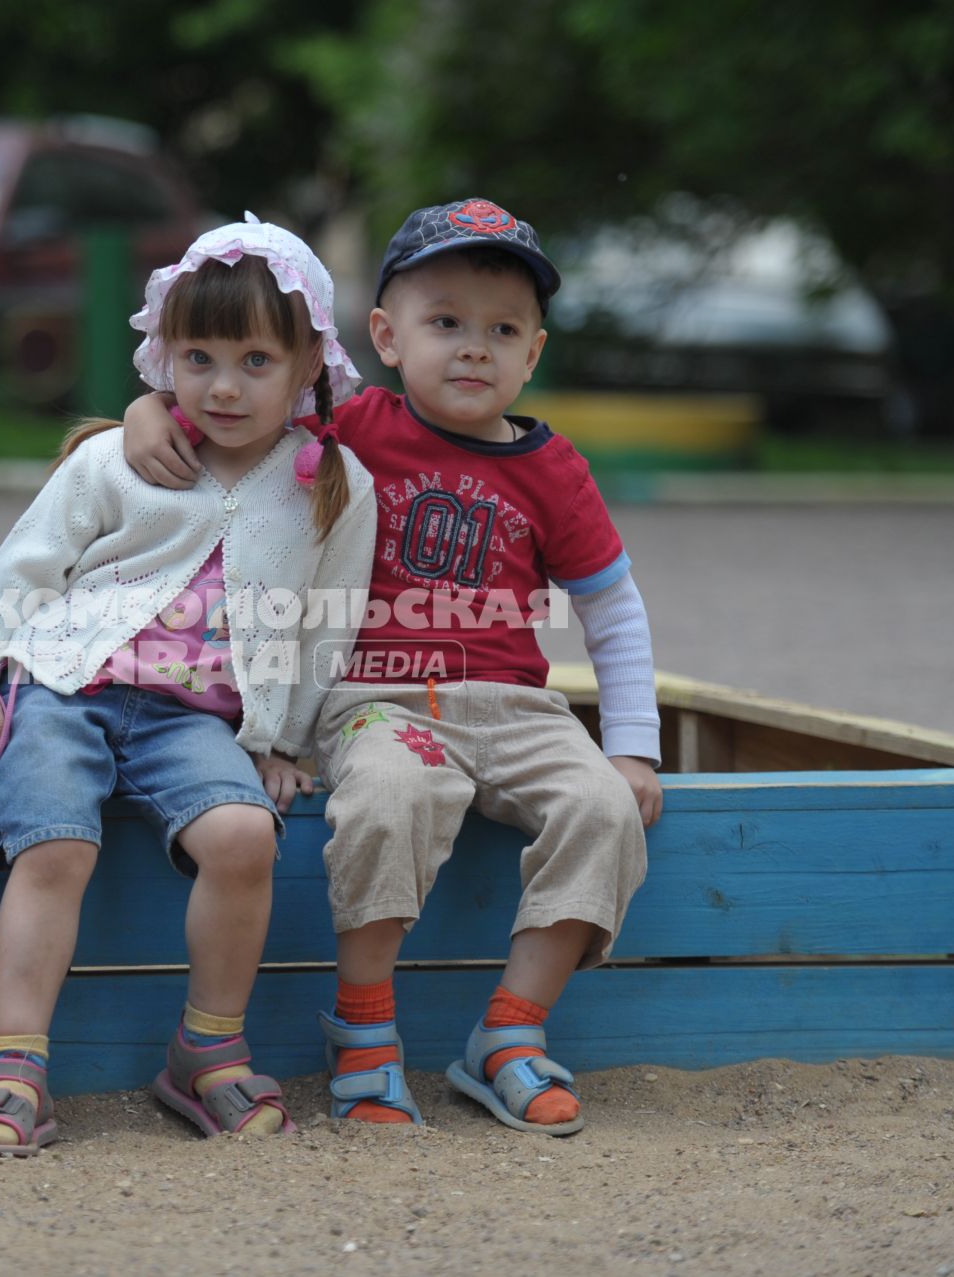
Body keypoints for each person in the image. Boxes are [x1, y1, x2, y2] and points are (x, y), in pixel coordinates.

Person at [122, 199, 663, 1135]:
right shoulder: (355, 426)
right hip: (380, 701)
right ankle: (366, 1031)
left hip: (520, 709)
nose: (472, 349)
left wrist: (635, 747)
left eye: (501, 330)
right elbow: (233, 391)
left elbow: (612, 609)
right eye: (444, 322)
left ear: (534, 352)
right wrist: (143, 410)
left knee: (605, 812)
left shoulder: (555, 470)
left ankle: (510, 1033)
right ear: (386, 335)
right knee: (385, 799)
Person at [0, 217, 376, 1155]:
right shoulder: (118, 459)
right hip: (66, 687)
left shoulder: (333, 485)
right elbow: (25, 568)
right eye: (200, 356)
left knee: (242, 834)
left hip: (196, 720)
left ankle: (206, 1047)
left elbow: (324, 628)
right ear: (164, 354)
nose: (224, 385)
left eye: (257, 359)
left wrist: (284, 740)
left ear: (310, 364)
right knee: (54, 841)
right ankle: (15, 1062)